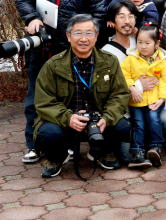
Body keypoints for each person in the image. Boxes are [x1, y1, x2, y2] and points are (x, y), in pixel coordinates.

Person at [14, 0, 107, 164]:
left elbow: (98, 12)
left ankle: (66, 146)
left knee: (69, 97)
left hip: (71, 49)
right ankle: (35, 145)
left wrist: (81, 36)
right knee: (35, 96)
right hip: (41, 44)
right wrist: (31, 17)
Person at [34, 14, 130, 178]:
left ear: (96, 36)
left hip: (98, 120)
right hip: (66, 120)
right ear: (68, 36)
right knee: (48, 133)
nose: (84, 39)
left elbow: (120, 94)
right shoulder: (53, 65)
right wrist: (68, 118)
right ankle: (57, 157)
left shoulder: (110, 61)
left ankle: (102, 152)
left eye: (89, 33)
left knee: (122, 126)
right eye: (78, 33)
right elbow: (44, 102)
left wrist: (107, 118)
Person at [121, 23, 166, 169]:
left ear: (156, 44)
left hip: (155, 99)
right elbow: (123, 75)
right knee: (138, 124)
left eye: (147, 43)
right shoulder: (131, 59)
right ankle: (137, 151)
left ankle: (155, 147)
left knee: (153, 118)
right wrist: (132, 87)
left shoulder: (161, 61)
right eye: (139, 42)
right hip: (136, 100)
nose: (143, 46)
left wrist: (162, 98)